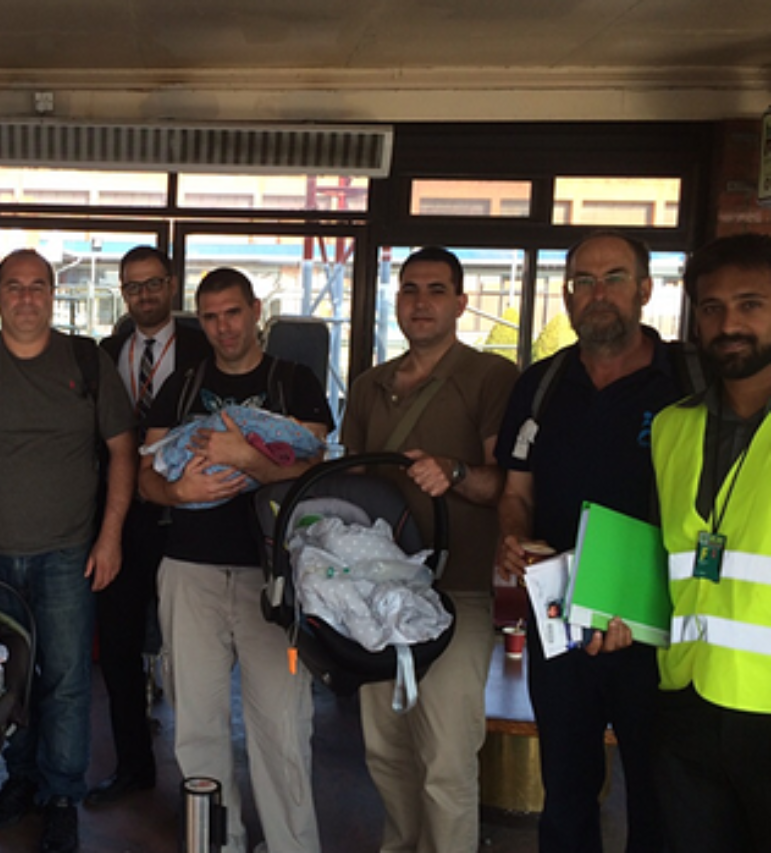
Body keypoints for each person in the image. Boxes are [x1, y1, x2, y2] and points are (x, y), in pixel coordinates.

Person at [0, 248, 136, 853]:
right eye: (14, 287)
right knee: (4, 679)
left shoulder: (87, 362)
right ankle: (19, 781)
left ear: (53, 293)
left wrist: (110, 535)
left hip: (69, 554)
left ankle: (62, 796)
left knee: (67, 680)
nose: (26, 297)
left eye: (38, 286)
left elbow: (122, 453)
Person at [495, 230, 692, 853]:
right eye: (584, 281)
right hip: (561, 624)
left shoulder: (688, 380)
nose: (597, 293)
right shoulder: (541, 384)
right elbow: (516, 490)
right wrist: (512, 536)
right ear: (567, 296)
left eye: (614, 278)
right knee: (565, 794)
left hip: (657, 629)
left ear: (645, 290)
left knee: (660, 798)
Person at [139, 267, 333, 853]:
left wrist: (246, 457)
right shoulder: (182, 385)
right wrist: (176, 492)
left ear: (255, 312)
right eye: (211, 317)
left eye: (233, 313)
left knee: (282, 727)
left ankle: (291, 847)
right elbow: (146, 476)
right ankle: (215, 843)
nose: (224, 327)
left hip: (274, 579)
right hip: (189, 569)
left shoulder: (294, 381)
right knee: (196, 726)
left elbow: (316, 470)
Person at [599, 233, 771, 852]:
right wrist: (614, 610)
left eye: (751, 305)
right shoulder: (673, 427)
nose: (729, 325)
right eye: (712, 308)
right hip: (684, 700)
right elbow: (663, 557)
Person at [341, 247, 516, 852]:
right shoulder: (368, 385)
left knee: (446, 757)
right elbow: (350, 487)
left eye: (436, 290)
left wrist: (455, 472)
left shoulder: (490, 377)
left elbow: (506, 484)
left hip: (455, 592)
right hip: (376, 596)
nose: (421, 302)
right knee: (385, 750)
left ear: (462, 303)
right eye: (410, 289)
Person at [87, 245, 211, 807]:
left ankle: (202, 777)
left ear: (172, 284)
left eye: (153, 283)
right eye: (133, 286)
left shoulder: (206, 349)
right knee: (117, 647)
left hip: (188, 520)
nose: (144, 295)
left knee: (192, 654)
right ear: (123, 292)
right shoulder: (105, 353)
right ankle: (133, 766)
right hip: (119, 519)